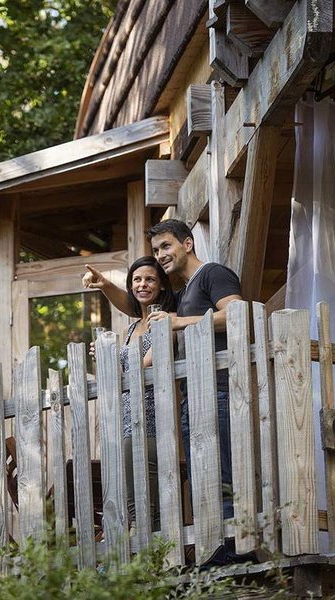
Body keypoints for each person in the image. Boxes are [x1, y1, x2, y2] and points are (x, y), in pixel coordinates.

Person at [84, 219, 250, 566]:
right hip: (196, 394)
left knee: (222, 474)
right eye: (157, 249)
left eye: (166, 247)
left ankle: (235, 551)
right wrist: (104, 286)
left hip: (218, 389)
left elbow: (237, 312)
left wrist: (179, 322)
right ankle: (218, 550)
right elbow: (135, 306)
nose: (160, 255)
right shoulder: (188, 291)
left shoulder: (212, 274)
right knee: (206, 476)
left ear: (187, 244)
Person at [90, 256, 175, 533]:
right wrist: (103, 356)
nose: (142, 284)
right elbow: (118, 376)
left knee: (148, 500)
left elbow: (141, 369)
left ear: (161, 285)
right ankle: (149, 558)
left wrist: (117, 362)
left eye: (150, 279)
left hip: (153, 421)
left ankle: (151, 560)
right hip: (126, 421)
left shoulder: (164, 322)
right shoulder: (128, 330)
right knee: (133, 495)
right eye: (137, 280)